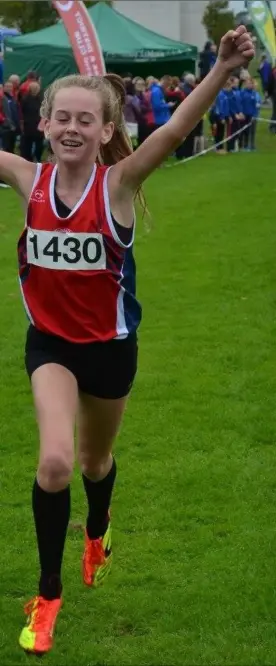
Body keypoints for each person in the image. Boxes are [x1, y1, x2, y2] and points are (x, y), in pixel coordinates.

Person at [0, 25, 254, 656]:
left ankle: (100, 527)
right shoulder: (24, 177)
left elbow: (169, 133)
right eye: (62, 117)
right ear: (44, 122)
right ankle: (48, 594)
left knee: (94, 463)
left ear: (107, 132)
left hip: (111, 351)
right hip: (51, 347)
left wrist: (221, 70)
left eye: (86, 120)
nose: (72, 128)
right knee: (56, 462)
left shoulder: (117, 186)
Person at [20, 81, 44, 162]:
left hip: (37, 126)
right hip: (29, 126)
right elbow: (22, 111)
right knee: (28, 144)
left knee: (39, 145)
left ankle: (37, 158)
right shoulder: (25, 99)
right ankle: (28, 159)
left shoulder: (40, 99)